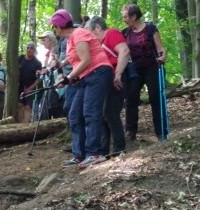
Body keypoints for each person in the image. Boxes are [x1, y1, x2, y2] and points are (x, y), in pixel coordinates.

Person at [50, 9, 113, 168]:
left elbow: (86, 60)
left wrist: (68, 78)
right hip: (86, 77)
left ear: (59, 26)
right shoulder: (71, 39)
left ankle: (94, 154)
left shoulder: (79, 33)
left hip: (98, 73)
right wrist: (65, 78)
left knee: (91, 112)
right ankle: (79, 155)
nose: (54, 30)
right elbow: (78, 63)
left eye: (54, 27)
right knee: (75, 114)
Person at [122, 4, 168, 141]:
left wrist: (163, 55)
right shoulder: (125, 32)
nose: (123, 19)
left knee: (156, 98)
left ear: (134, 16)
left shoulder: (150, 28)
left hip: (152, 67)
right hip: (134, 69)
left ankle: (161, 132)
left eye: (125, 16)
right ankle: (131, 131)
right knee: (131, 98)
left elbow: (160, 48)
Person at [86, 16, 130, 156]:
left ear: (98, 27)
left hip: (118, 76)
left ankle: (119, 148)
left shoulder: (111, 34)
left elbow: (124, 51)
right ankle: (104, 150)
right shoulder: (100, 43)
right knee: (104, 114)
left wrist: (118, 74)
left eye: (91, 33)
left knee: (111, 113)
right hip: (106, 79)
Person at [37, 31, 65, 119]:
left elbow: (56, 64)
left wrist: (47, 70)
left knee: (55, 107)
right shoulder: (49, 53)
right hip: (50, 84)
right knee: (49, 108)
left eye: (44, 40)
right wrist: (43, 71)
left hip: (57, 84)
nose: (42, 42)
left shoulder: (56, 49)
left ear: (50, 40)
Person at [18, 42, 42, 123]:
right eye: (28, 48)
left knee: (28, 107)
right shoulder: (20, 58)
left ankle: (25, 126)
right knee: (20, 105)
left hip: (31, 88)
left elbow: (38, 79)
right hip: (19, 87)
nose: (29, 50)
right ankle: (19, 126)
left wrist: (30, 88)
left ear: (34, 50)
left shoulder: (37, 63)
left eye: (31, 48)